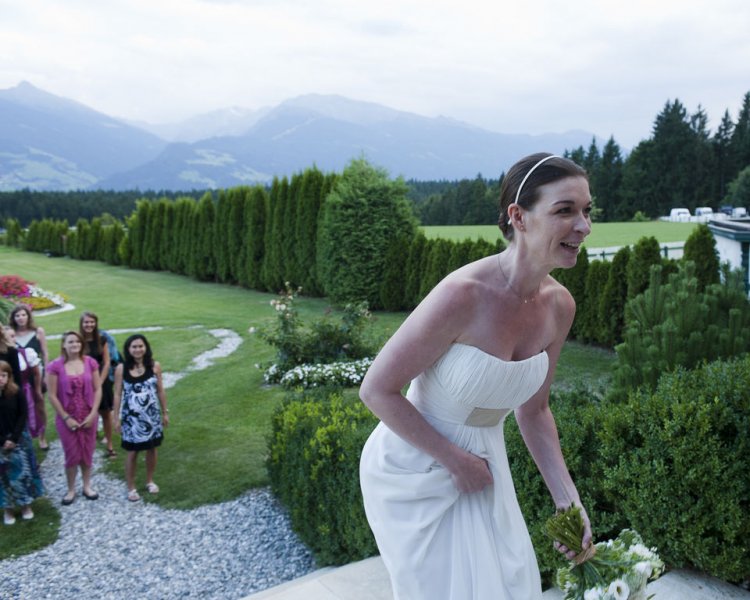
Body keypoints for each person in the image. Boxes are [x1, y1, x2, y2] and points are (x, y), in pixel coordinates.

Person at [359, 153, 594, 599]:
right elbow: (377, 390)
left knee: (510, 585)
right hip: (415, 467)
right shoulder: (462, 295)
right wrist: (454, 460)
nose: (583, 226)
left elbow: (534, 411)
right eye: (565, 210)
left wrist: (568, 499)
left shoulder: (560, 307)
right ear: (518, 217)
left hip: (486, 465)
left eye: (587, 210)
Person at [46, 330, 102, 505]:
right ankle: (71, 489)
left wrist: (93, 414)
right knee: (71, 454)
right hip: (67, 418)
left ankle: (87, 486)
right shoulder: (55, 366)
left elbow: (98, 389)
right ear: (64, 345)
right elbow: (52, 395)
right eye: (70, 342)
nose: (74, 345)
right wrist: (66, 418)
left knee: (87, 452)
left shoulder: (90, 363)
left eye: (77, 341)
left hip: (88, 416)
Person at [113, 334, 168, 502]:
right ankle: (131, 487)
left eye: (140, 346)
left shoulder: (155, 366)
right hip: (132, 420)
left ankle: (149, 481)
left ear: (146, 347)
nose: (138, 349)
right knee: (133, 452)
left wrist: (165, 412)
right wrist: (116, 418)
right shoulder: (121, 368)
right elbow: (117, 394)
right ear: (128, 349)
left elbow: (160, 390)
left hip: (152, 417)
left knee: (152, 449)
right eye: (134, 347)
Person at [0, 360, 45, 525]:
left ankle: (26, 505)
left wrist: (14, 438)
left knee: (23, 473)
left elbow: (23, 414)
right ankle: (8, 509)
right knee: (4, 477)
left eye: (3, 375)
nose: (0, 379)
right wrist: (3, 440)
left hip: (19, 438)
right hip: (1, 441)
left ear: (9, 376)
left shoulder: (16, 392)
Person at [8, 305, 49, 450]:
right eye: (17, 315)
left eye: (23, 315)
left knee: (40, 404)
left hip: (36, 373)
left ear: (28, 316)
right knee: (21, 406)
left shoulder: (38, 332)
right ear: (13, 318)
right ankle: (26, 434)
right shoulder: (11, 334)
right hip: (19, 375)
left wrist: (46, 373)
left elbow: (44, 352)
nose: (21, 318)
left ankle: (42, 436)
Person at [79, 311, 115, 458]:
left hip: (101, 379)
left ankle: (110, 444)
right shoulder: (78, 340)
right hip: (83, 380)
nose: (89, 325)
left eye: (92, 322)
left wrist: (100, 382)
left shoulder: (102, 339)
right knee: (86, 412)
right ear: (81, 324)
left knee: (105, 412)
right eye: (86, 322)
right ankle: (89, 442)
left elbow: (107, 362)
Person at [4, 327, 45, 444]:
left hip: (25, 391)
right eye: (7, 337)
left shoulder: (25, 353)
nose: (11, 339)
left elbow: (37, 373)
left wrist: (37, 390)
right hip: (6, 394)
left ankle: (35, 441)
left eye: (13, 336)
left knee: (28, 417)